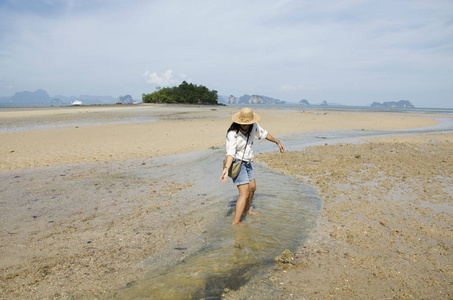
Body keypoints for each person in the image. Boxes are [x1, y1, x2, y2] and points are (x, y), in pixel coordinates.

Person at [219, 107, 285, 225]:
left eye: (248, 123)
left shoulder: (254, 126)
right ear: (238, 121)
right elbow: (230, 153)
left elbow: (265, 134)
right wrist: (226, 169)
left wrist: (277, 142)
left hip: (248, 162)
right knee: (244, 193)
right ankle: (236, 222)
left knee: (253, 188)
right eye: (244, 124)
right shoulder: (232, 134)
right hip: (237, 163)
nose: (246, 126)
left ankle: (247, 210)